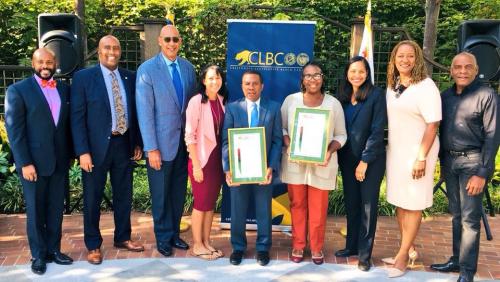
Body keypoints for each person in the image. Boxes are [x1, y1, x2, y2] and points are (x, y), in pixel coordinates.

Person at [71, 35, 144, 265]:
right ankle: (93, 244)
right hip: (95, 149)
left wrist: (137, 142)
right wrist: (82, 151)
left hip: (123, 144)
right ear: (99, 51)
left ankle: (123, 237)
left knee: (124, 195)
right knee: (92, 198)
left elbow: (136, 112)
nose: (111, 52)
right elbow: (77, 118)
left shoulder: (129, 77)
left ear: (120, 51)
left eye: (115, 48)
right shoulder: (84, 78)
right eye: (107, 48)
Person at [431, 52, 499, 282]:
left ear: (476, 68)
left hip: (473, 163)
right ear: (451, 70)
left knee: (470, 219)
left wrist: (483, 173)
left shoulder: (487, 95)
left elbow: (492, 137)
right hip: (450, 162)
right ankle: (456, 260)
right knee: (457, 216)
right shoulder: (445, 96)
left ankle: (467, 272)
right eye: (457, 67)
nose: (462, 71)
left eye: (467, 67)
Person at [4, 48, 73, 274]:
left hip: (59, 162)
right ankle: (38, 255)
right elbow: (15, 131)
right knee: (35, 211)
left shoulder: (64, 88)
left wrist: (71, 155)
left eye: (49, 62)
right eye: (41, 62)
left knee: (55, 209)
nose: (45, 65)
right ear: (33, 64)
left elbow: (67, 127)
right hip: (32, 164)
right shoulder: (18, 90)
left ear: (55, 64)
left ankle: (54, 250)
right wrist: (24, 162)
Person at [136, 23, 197, 257]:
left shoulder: (188, 68)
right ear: (160, 42)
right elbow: (145, 112)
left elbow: (192, 106)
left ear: (180, 42)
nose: (172, 43)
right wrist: (151, 147)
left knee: (177, 192)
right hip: (160, 146)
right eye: (168, 39)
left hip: (184, 144)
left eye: (176, 39)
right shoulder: (147, 70)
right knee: (160, 194)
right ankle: (162, 238)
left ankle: (173, 234)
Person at [384, 40, 441, 278]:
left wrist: (421, 157)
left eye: (410, 56)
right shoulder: (394, 85)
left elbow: (433, 124)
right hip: (396, 151)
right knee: (400, 200)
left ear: (417, 58)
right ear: (394, 60)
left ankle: (402, 256)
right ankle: (407, 249)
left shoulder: (426, 86)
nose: (405, 60)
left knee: (414, 203)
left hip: (418, 152)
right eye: (400, 56)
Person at [280, 62, 347, 265]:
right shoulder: (291, 101)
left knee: (318, 209)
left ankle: (317, 248)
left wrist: (328, 151)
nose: (312, 79)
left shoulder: (333, 104)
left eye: (316, 75)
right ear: (302, 79)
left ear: (322, 77)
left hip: (322, 164)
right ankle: (298, 245)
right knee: (297, 205)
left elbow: (341, 135)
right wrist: (291, 145)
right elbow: (281, 129)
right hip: (296, 165)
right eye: (308, 76)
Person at [222, 70, 282, 266]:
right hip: (239, 170)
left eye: (255, 83)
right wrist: (228, 168)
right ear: (241, 86)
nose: (251, 87)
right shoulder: (232, 108)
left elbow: (277, 140)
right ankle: (238, 248)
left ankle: (263, 248)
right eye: (247, 83)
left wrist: (271, 167)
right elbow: (225, 141)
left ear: (262, 86)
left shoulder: (273, 108)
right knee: (237, 210)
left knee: (264, 210)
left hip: (263, 171)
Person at [335, 56, 386, 271]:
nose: (357, 75)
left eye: (361, 71)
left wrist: (365, 160)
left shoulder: (376, 95)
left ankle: (365, 255)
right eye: (353, 71)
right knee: (352, 203)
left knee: (367, 206)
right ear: (347, 72)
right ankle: (351, 246)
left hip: (370, 161)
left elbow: (377, 131)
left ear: (368, 73)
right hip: (347, 159)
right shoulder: (342, 97)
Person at [184, 65, 227, 260]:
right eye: (210, 78)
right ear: (203, 80)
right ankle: (197, 245)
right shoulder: (196, 102)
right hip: (201, 159)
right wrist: (197, 165)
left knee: (210, 204)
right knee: (201, 204)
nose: (214, 81)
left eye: (217, 78)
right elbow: (189, 136)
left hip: (217, 159)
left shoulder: (221, 100)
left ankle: (207, 241)